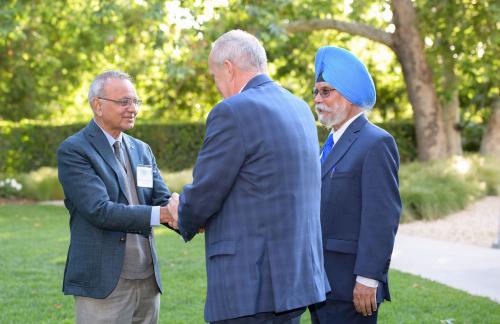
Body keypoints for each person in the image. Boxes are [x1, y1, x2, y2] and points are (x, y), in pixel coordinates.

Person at [166, 30, 329, 323]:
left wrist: (182, 212)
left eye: (215, 76)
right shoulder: (299, 108)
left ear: (228, 68)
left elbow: (207, 190)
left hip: (249, 284)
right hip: (294, 277)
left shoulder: (232, 111)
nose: (217, 87)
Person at [57, 70, 177, 324]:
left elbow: (162, 199)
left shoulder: (142, 150)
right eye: (124, 102)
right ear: (97, 106)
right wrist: (164, 214)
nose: (132, 108)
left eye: (135, 101)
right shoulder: (75, 150)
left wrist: (189, 214)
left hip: (147, 280)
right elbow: (100, 210)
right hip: (104, 284)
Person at [308, 46, 402, 324]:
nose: (317, 99)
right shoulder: (330, 143)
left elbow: (382, 217)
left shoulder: (376, 142)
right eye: (316, 92)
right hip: (321, 282)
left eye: (326, 91)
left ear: (349, 95)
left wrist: (369, 278)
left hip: (351, 285)